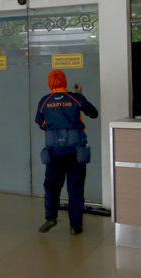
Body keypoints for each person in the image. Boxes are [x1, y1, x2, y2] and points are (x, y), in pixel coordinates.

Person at [34, 69, 98, 235]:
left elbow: (39, 122)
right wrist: (79, 94)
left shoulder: (44, 101)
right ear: (65, 82)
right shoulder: (75, 98)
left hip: (54, 150)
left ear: (50, 83)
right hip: (76, 150)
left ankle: (50, 217)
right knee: (75, 188)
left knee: (51, 185)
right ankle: (75, 226)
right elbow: (93, 113)